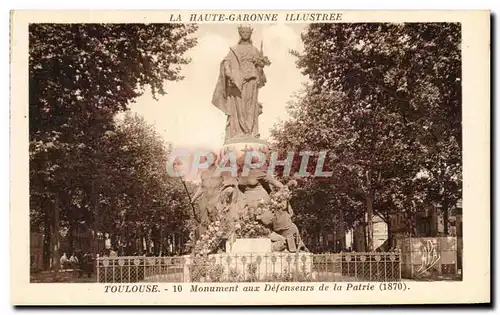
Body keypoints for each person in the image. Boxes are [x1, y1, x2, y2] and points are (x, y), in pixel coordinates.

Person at [212, 24, 269, 142]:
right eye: (243, 32)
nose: (245, 34)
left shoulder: (255, 50)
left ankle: (251, 132)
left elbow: (259, 67)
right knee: (239, 105)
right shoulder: (234, 49)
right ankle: (240, 131)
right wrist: (228, 72)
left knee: (251, 105)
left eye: (248, 33)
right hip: (239, 82)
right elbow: (226, 62)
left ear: (250, 34)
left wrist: (261, 65)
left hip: (252, 80)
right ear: (240, 33)